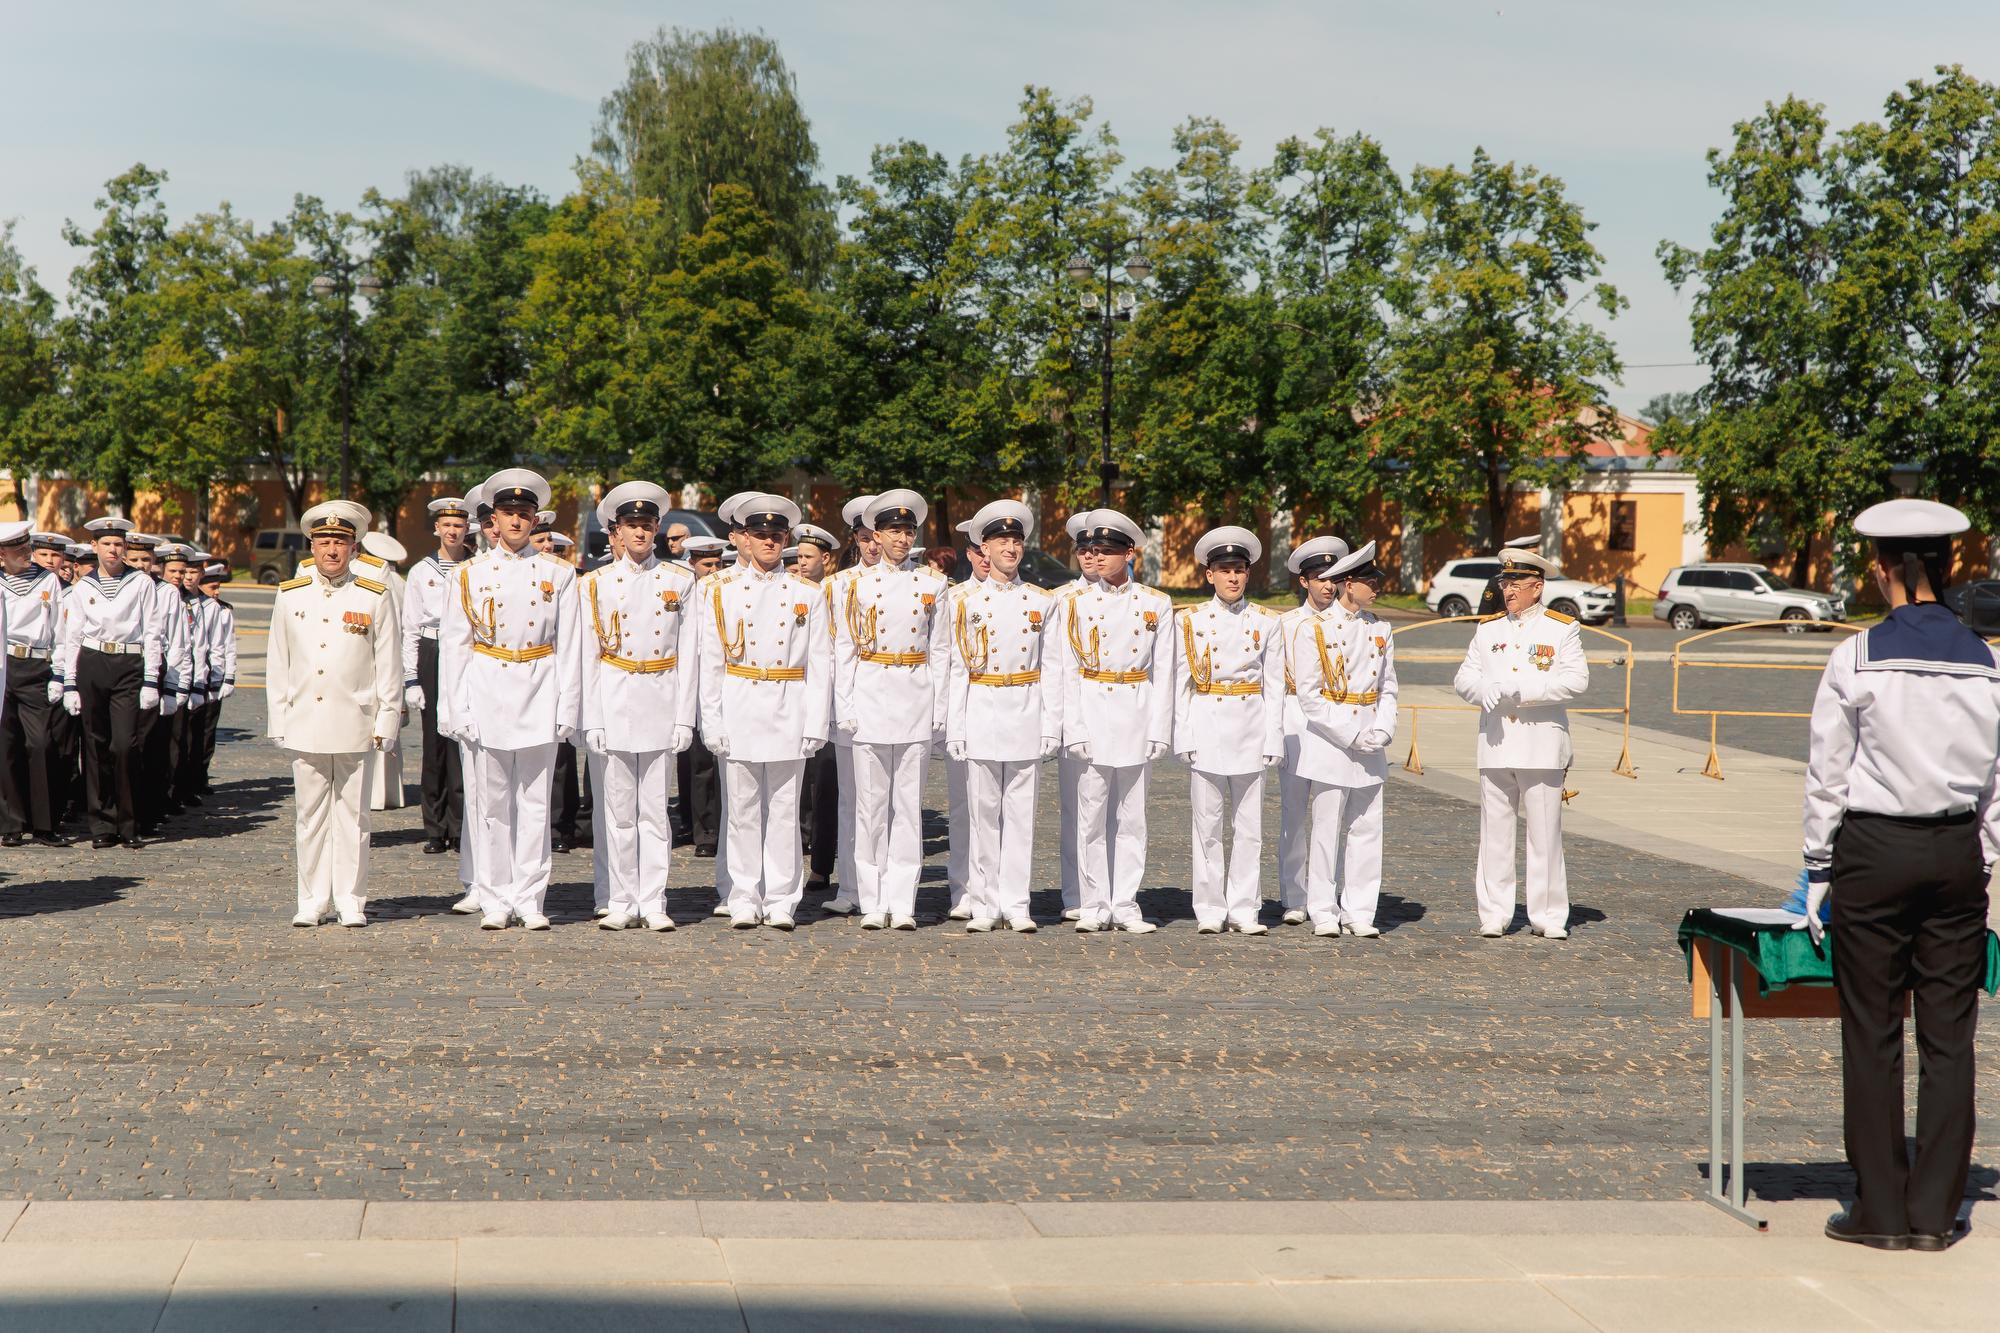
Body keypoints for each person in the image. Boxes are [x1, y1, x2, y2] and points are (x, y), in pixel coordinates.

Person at [1803, 498, 1997, 1253]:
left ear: (1883, 570)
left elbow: (1828, 772)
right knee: (1950, 1036)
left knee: (1873, 1029)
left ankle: (1879, 1206)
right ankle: (1937, 1210)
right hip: (1954, 853)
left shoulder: (1855, 655)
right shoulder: (1990, 661)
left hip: (1874, 849)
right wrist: (1980, 856)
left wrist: (1817, 866)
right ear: (1946, 570)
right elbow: (1998, 784)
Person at [439, 468, 583, 931]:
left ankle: (531, 897)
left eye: (525, 514)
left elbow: (571, 646)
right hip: (488, 689)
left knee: (536, 804)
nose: (517, 522)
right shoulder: (468, 574)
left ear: (536, 519)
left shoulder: (558, 574)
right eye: (508, 514)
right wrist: (453, 707)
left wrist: (567, 707)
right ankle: (496, 896)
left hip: (539, 686)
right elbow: (455, 646)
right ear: (494, 520)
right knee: (493, 806)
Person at [695, 495, 830, 928]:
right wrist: (711, 720)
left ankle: (781, 899)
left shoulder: (807, 592)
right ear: (744, 541)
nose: (769, 542)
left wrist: (816, 720)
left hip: (789, 701)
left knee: (786, 810)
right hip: (741, 702)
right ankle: (743, 895)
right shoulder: (720, 590)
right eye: (760, 535)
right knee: (743, 809)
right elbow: (710, 661)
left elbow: (820, 661)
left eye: (777, 535)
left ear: (786, 539)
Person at [266, 501, 402, 927]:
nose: (331, 550)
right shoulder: (290, 595)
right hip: (306, 719)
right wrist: (278, 719)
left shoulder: (373, 595)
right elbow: (278, 662)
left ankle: (350, 898)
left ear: (354, 547)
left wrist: (387, 721)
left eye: (340, 542)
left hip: (355, 721)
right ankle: (311, 898)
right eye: (324, 541)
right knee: (309, 816)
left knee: (353, 818)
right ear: (311, 544)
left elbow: (389, 664)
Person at [1451, 546, 1588, 938]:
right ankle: (1495, 912)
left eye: (1516, 584)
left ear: (1537, 587)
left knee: (1544, 834)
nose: (1507, 591)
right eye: (1504, 583)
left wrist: (1521, 688)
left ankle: (1547, 915)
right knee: (1495, 833)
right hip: (1496, 742)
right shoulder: (1488, 628)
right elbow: (1464, 677)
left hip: (1540, 744)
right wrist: (1483, 691)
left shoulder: (1561, 628)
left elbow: (1576, 681)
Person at [1047, 510, 1173, 933]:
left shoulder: (1156, 603)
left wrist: (1160, 727)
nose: (1096, 558)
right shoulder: (1071, 602)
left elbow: (1165, 672)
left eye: (1107, 551)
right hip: (1092, 706)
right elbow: (1064, 670)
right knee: (1091, 816)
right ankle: (1094, 901)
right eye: (1093, 551)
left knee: (1132, 817)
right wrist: (1073, 727)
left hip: (1136, 707)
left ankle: (1126, 902)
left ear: (1129, 554)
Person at [581, 481, 696, 932]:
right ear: (617, 531)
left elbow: (690, 656)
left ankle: (654, 900)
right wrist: (591, 717)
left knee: (654, 812)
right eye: (632, 526)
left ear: (658, 530)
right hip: (614, 698)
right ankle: (622, 898)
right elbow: (586, 657)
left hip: (661, 698)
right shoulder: (595, 584)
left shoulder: (679, 581)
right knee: (617, 812)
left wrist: (685, 716)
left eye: (648, 525)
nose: (641, 534)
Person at [833, 489, 949, 931]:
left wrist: (939, 709)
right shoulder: (851, 585)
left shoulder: (933, 585)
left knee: (907, 807)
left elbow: (940, 653)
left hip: (914, 696)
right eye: (894, 530)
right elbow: (844, 650)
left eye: (908, 531)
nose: (902, 538)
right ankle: (871, 897)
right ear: (875, 536)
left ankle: (902, 899)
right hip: (870, 695)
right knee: (870, 807)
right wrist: (844, 704)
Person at [946, 500, 1057, 932]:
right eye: (1001, 541)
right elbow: (955, 668)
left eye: (1016, 541)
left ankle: (1017, 903)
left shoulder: (1040, 600)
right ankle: (984, 902)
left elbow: (1054, 668)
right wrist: (954, 725)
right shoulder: (962, 600)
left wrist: (1051, 723)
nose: (1010, 548)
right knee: (982, 812)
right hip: (982, 708)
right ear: (983, 548)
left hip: (1025, 709)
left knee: (1020, 816)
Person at [1172, 526, 1284, 934]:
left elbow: (1274, 684)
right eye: (1224, 570)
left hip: (1250, 725)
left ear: (1248, 574)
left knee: (1250, 827)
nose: (1233, 578)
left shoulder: (1268, 622)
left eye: (1239, 569)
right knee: (1207, 826)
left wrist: (1274, 735)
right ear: (1209, 575)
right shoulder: (1190, 621)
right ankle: (1209, 908)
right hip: (1207, 723)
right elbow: (1181, 683)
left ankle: (1244, 908)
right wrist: (1181, 734)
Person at [1295, 541, 1399, 937]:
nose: (1377, 588)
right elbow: (1310, 696)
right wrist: (1351, 733)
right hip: (1332, 740)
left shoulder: (1380, 628)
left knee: (1367, 829)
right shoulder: (1313, 630)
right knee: (1326, 829)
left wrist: (1384, 728)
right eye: (1370, 581)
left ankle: (1360, 911)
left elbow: (1388, 686)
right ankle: (1322, 909)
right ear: (1348, 584)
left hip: (1371, 738)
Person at [57, 517, 165, 848]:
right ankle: (102, 824)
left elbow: (153, 631)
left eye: (118, 544)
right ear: (95, 547)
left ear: (125, 548)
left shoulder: (141, 583)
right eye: (106, 544)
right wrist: (70, 682)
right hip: (93, 662)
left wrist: (151, 678)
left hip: (129, 663)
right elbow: (71, 635)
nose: (113, 550)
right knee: (95, 746)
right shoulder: (83, 587)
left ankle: (129, 823)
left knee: (125, 745)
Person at [1276, 536, 1349, 924]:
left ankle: (1326, 894)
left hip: (1334, 723)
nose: (1327, 585)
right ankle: (1293, 895)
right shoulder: (1286, 624)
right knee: (1292, 813)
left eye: (1332, 578)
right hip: (1294, 722)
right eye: (1318, 578)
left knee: (1330, 813)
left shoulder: (1347, 624)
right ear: (1303, 582)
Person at [818, 494, 879, 915]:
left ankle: (880, 885)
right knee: (851, 798)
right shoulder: (836, 586)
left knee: (885, 801)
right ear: (855, 540)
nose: (873, 546)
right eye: (864, 538)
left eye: (878, 538)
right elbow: (828, 652)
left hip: (890, 697)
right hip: (848, 701)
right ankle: (850, 887)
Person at [403, 497, 472, 856]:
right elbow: (411, 629)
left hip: (466, 653)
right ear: (437, 529)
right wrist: (411, 679)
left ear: (466, 530)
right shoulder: (421, 571)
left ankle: (460, 826)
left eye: (458, 526)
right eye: (446, 526)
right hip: (433, 651)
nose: (452, 531)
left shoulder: (476, 567)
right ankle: (435, 826)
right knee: (434, 745)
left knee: (462, 741)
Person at [1, 522, 67, 846]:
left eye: (28, 548)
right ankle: (11, 823)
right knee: (6, 745)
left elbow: (60, 630)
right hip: (3, 665)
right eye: (19, 550)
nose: (27, 554)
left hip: (36, 664)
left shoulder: (48, 580)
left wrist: (60, 672)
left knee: (40, 743)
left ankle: (45, 823)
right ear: (2, 555)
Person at [792, 522, 840, 892]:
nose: (802, 563)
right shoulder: (800, 593)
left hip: (847, 699)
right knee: (808, 789)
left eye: (809, 557)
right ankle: (812, 861)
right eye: (799, 556)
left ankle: (829, 866)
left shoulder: (843, 590)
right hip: (806, 698)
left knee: (833, 789)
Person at [1055, 511, 1098, 921]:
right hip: (1076, 713)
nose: (1090, 557)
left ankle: (1106, 892)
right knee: (1074, 810)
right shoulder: (1062, 599)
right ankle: (1076, 892)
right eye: (1083, 550)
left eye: (1096, 550)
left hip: (1116, 711)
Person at [674, 535, 727, 860]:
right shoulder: (685, 593)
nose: (713, 569)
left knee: (715, 761)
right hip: (686, 686)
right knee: (693, 763)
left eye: (717, 563)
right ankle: (697, 825)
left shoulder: (722, 591)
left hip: (717, 686)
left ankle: (715, 827)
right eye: (707, 564)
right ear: (692, 564)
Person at [358, 530, 410, 813]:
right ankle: (390, 792)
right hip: (395, 662)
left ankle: (374, 793)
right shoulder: (401, 583)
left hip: (374, 660)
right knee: (389, 728)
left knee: (370, 725)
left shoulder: (372, 582)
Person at [193, 561, 236, 796]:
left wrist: (228, 677)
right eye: (212, 587)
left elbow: (228, 645)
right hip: (192, 677)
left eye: (218, 587)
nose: (217, 592)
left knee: (208, 730)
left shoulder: (223, 610)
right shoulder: (193, 606)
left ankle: (201, 775)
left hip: (212, 677)